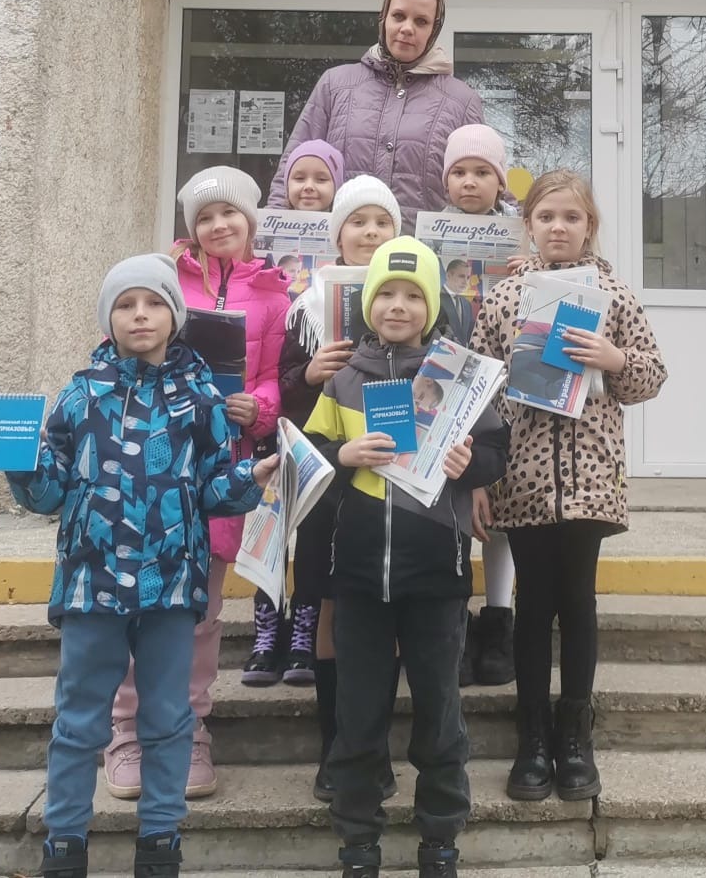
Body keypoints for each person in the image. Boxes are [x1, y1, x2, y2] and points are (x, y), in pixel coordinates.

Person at [4, 255, 280, 878]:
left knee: (167, 717)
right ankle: (64, 844)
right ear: (109, 319)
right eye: (126, 305)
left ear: (174, 316)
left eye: (154, 303)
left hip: (171, 588)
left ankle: (160, 841)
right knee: (79, 721)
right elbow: (49, 494)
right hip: (90, 587)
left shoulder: (202, 397)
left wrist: (251, 476)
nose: (140, 315)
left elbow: (213, 488)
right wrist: (23, 465)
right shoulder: (80, 395)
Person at [307, 237, 507, 878]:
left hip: (436, 575)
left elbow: (496, 450)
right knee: (358, 715)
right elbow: (307, 460)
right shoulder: (343, 379)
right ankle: (358, 842)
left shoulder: (459, 378)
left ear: (432, 307)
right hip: (359, 577)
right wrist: (342, 457)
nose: (398, 306)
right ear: (368, 303)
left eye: (413, 295)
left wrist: (469, 463)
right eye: (386, 294)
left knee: (440, 713)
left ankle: (440, 839)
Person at [469, 170, 668, 804]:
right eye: (547, 216)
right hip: (524, 478)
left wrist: (614, 359)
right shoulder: (506, 298)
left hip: (591, 477)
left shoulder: (613, 294)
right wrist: (478, 475)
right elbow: (477, 389)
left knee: (578, 600)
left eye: (572, 217)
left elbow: (651, 374)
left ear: (590, 226)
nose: (559, 227)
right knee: (533, 603)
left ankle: (575, 733)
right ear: (528, 225)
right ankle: (531, 735)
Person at [104, 168, 289, 803]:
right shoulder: (161, 283)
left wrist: (259, 408)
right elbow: (118, 353)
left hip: (220, 469)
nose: (218, 226)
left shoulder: (274, 294)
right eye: (205, 217)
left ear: (250, 221)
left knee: (203, 614)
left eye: (229, 213)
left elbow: (275, 375)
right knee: (138, 603)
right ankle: (127, 729)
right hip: (149, 471)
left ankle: (189, 729)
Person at [271, 175, 402, 792]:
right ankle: (335, 749)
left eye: (382, 222)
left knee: (385, 615)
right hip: (329, 483)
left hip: (396, 486)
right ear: (337, 234)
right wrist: (309, 374)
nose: (370, 233)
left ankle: (374, 750)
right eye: (357, 222)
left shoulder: (421, 306)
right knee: (328, 606)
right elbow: (283, 394)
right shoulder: (305, 305)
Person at [242, 138, 347, 688]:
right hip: (280, 421)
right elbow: (281, 370)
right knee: (272, 523)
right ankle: (268, 628)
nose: (309, 188)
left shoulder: (366, 277)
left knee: (314, 532)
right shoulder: (266, 262)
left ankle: (303, 628)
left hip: (332, 432)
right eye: (299, 177)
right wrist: (305, 376)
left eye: (321, 178)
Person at [268, 0, 483, 228]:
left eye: (421, 21)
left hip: (420, 250)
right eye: (399, 16)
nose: (407, 28)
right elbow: (292, 168)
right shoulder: (335, 85)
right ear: (383, 18)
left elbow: (486, 181)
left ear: (434, 30)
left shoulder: (461, 101)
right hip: (339, 249)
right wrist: (273, 231)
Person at [439, 124, 520, 689]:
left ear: (500, 180)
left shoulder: (522, 241)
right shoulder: (426, 237)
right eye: (460, 172)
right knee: (452, 502)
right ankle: (456, 622)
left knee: (500, 513)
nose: (470, 182)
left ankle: (499, 619)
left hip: (509, 390)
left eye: (482, 172)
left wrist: (526, 270)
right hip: (446, 385)